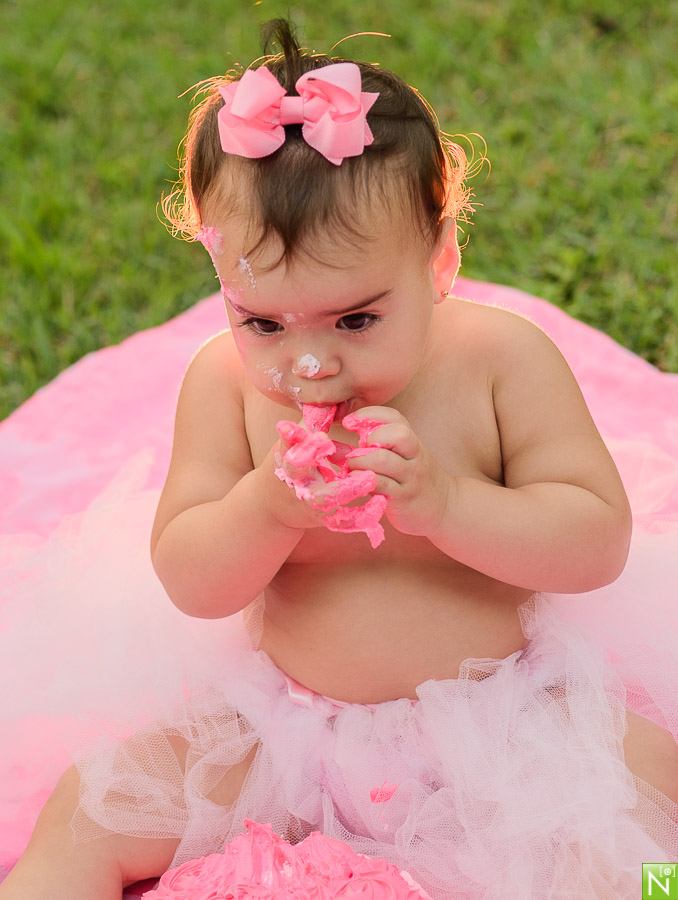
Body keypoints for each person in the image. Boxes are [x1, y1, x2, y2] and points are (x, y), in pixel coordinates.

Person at [2, 17, 677, 900]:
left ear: (440, 259)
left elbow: (594, 543)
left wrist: (445, 502)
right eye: (264, 324)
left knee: (651, 825)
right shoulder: (224, 386)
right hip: (288, 731)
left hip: (513, 717)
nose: (309, 363)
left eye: (356, 319)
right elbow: (194, 579)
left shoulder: (502, 361)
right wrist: (266, 508)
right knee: (85, 813)